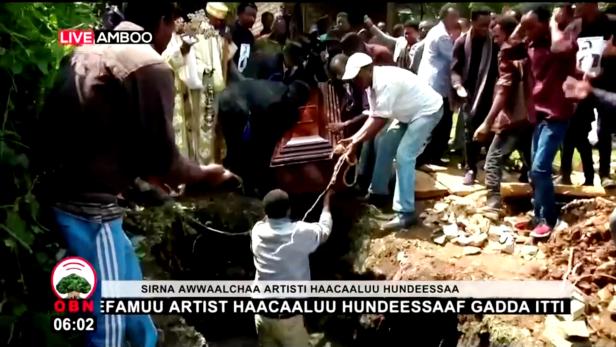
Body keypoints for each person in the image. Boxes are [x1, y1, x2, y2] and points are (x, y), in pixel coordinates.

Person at [35, 3, 240, 347]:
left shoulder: (86, 49)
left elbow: (98, 133)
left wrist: (137, 184)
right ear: (161, 21)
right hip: (89, 213)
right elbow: (167, 163)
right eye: (173, 25)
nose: (173, 35)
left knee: (135, 308)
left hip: (71, 199)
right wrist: (209, 175)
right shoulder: (146, 63)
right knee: (107, 326)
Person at [339, 53, 444, 229]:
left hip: (426, 111)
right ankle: (378, 194)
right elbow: (373, 116)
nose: (355, 81)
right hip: (407, 112)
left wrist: (355, 142)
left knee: (404, 156)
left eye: (357, 76)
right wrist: (352, 139)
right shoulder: (369, 84)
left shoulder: (386, 82)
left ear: (368, 70)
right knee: (386, 142)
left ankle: (406, 213)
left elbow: (379, 121)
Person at [514, 4, 577, 238]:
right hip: (539, 114)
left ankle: (550, 218)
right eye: (525, 27)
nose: (527, 31)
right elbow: (508, 48)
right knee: (534, 171)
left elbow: (561, 47)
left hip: (557, 114)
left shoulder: (563, 40)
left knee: (540, 169)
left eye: (532, 26)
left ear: (545, 22)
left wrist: (551, 22)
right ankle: (538, 215)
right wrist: (522, 27)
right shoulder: (531, 44)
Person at [251, 189, 334, 346]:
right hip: (287, 319)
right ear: (289, 210)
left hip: (261, 313)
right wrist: (326, 203)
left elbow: (264, 220)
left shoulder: (257, 231)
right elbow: (324, 230)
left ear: (265, 212)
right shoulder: (300, 232)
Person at [162, 2, 235, 166]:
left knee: (206, 131)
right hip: (186, 91)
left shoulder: (210, 34)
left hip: (207, 88)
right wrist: (183, 49)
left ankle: (204, 169)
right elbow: (166, 60)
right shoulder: (181, 34)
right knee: (194, 132)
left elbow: (225, 59)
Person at [473, 15, 533, 209]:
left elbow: (503, 90)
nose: (495, 41)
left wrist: (487, 122)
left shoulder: (507, 55)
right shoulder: (528, 52)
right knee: (533, 163)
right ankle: (539, 204)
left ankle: (493, 202)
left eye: (498, 36)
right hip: (530, 117)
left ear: (508, 34)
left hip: (513, 118)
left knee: (493, 160)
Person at [566, 2, 616, 188]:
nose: (576, 6)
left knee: (604, 129)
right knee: (575, 129)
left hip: (608, 84)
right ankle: (584, 175)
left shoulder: (612, 23)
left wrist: (611, 52)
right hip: (581, 84)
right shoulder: (575, 26)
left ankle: (604, 174)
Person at [451, 7, 499, 185]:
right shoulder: (462, 43)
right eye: (481, 25)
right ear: (472, 23)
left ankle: (491, 168)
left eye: (488, 25)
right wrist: (458, 86)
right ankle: (470, 168)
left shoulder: (494, 42)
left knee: (493, 133)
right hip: (470, 95)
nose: (486, 28)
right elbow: (455, 69)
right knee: (470, 133)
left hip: (491, 94)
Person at [416, 3, 460, 167]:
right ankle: (426, 157)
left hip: (435, 83)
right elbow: (454, 58)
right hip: (436, 84)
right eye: (452, 17)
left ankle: (431, 156)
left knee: (442, 122)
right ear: (444, 17)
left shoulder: (438, 31)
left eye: (456, 16)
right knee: (441, 122)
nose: (455, 20)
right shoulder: (441, 35)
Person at [231, 3, 258, 73]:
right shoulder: (230, 31)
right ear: (239, 14)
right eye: (249, 15)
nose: (252, 19)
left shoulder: (250, 37)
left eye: (254, 16)